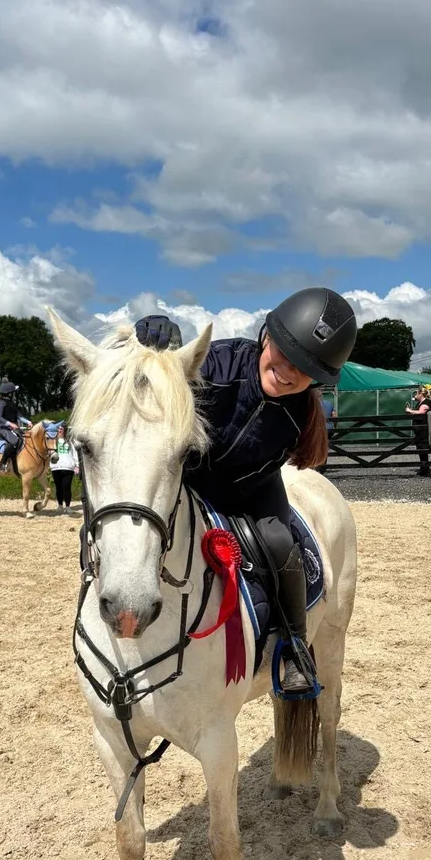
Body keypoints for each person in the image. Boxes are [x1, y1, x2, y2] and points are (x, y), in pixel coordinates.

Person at [135, 286, 357, 696]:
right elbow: (166, 377)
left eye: (306, 369)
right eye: (286, 355)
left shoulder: (302, 410)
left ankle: (294, 646)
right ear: (266, 337)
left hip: (254, 486)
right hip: (195, 482)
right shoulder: (219, 364)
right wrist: (155, 344)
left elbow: (295, 458)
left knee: (279, 541)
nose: (290, 372)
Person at [0, 379, 22, 472]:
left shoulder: (11, 403)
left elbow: (18, 416)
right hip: (3, 428)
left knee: (23, 439)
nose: (14, 393)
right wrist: (11, 424)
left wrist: (28, 422)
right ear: (9, 393)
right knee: (14, 441)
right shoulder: (1, 403)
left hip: (12, 428)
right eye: (13, 392)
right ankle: (2, 463)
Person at [50, 422, 79, 513]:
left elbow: (75, 453)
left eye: (61, 429)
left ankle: (67, 506)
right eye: (58, 429)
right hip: (56, 467)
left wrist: (77, 465)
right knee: (58, 487)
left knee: (66, 487)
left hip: (68, 467)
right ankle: (59, 505)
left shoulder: (70, 441)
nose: (60, 430)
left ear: (64, 430)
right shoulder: (53, 441)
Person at [405, 386, 431, 476]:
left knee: (422, 448)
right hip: (421, 430)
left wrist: (410, 410)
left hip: (424, 430)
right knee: (421, 449)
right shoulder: (422, 402)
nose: (415, 396)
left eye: (416, 393)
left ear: (420, 394)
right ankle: (424, 467)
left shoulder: (426, 402)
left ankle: (424, 468)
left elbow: (422, 412)